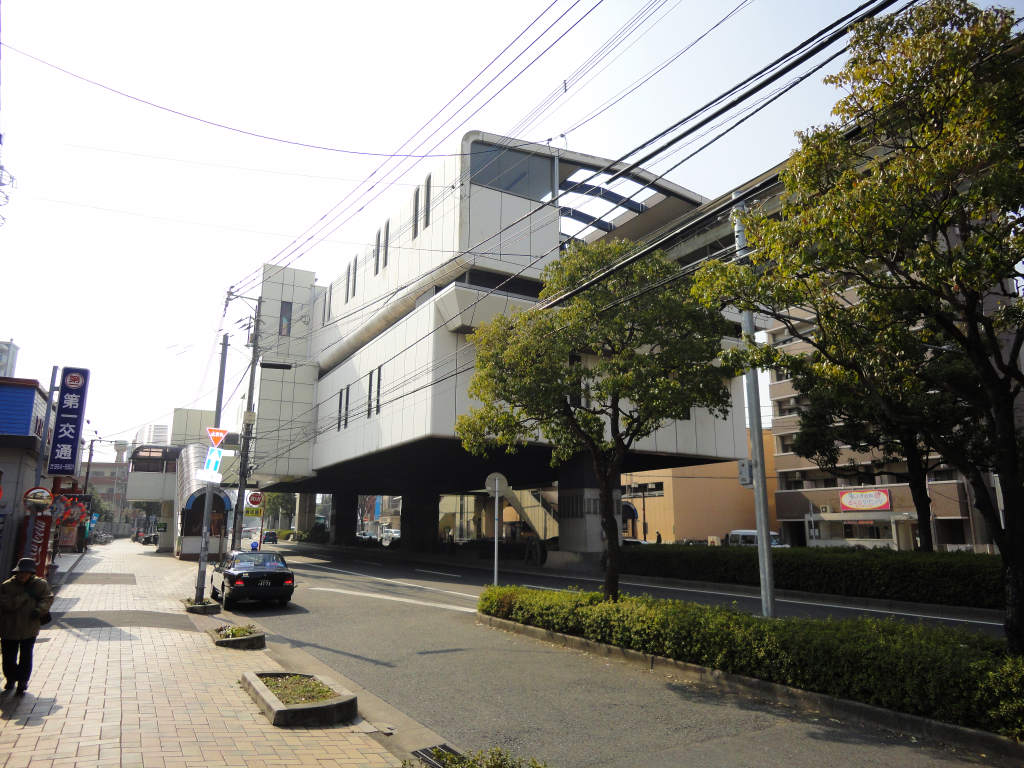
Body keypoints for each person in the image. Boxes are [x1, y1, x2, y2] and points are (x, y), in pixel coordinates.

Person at [0, 558, 53, 696]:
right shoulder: (7, 586)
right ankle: (10, 678)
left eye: (26, 572)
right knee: (8, 657)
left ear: (31, 573)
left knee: (26, 656)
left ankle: (22, 681)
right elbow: (7, 605)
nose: (23, 575)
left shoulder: (40, 584)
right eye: (20, 572)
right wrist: (24, 596)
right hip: (9, 628)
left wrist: (39, 610)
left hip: (29, 627)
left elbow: (47, 599)